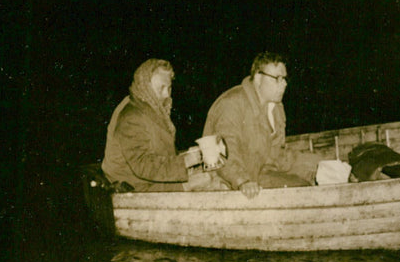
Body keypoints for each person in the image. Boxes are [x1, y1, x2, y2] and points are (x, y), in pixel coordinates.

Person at [202, 52, 322, 198]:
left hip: (255, 177)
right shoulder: (232, 104)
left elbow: (276, 156)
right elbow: (223, 156)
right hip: (226, 185)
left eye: (284, 78)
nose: (284, 84)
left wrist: (316, 165)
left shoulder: (275, 108)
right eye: (277, 78)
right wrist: (242, 181)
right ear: (258, 78)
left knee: (304, 185)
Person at [102, 59, 226, 192]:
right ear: (145, 86)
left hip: (151, 182)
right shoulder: (132, 117)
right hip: (136, 188)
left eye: (169, 88)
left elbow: (159, 155)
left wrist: (191, 154)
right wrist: (185, 161)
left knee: (215, 176)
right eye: (161, 88)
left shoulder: (149, 109)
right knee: (211, 182)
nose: (167, 94)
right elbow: (142, 165)